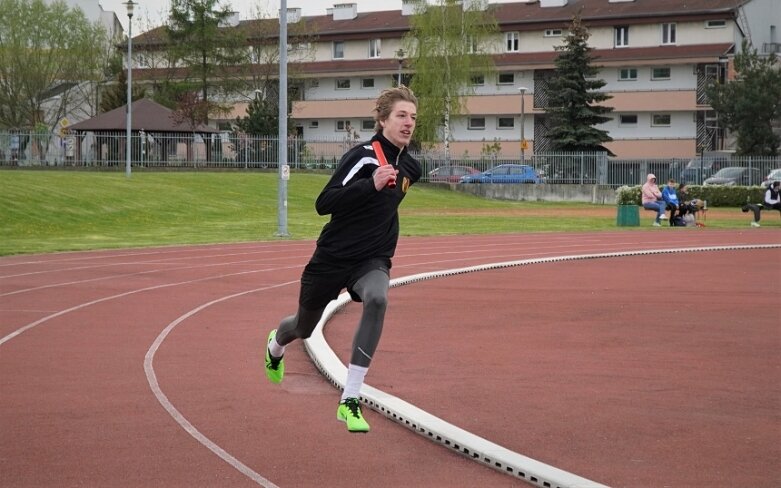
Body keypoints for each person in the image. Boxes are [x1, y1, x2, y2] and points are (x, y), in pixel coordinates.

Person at [263, 86, 421, 433]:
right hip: (331, 259)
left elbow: (385, 211)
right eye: (401, 115)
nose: (409, 122)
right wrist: (371, 185)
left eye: (413, 117)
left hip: (371, 259)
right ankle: (276, 344)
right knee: (303, 327)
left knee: (378, 299)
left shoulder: (412, 167)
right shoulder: (362, 156)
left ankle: (350, 399)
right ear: (382, 120)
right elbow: (325, 203)